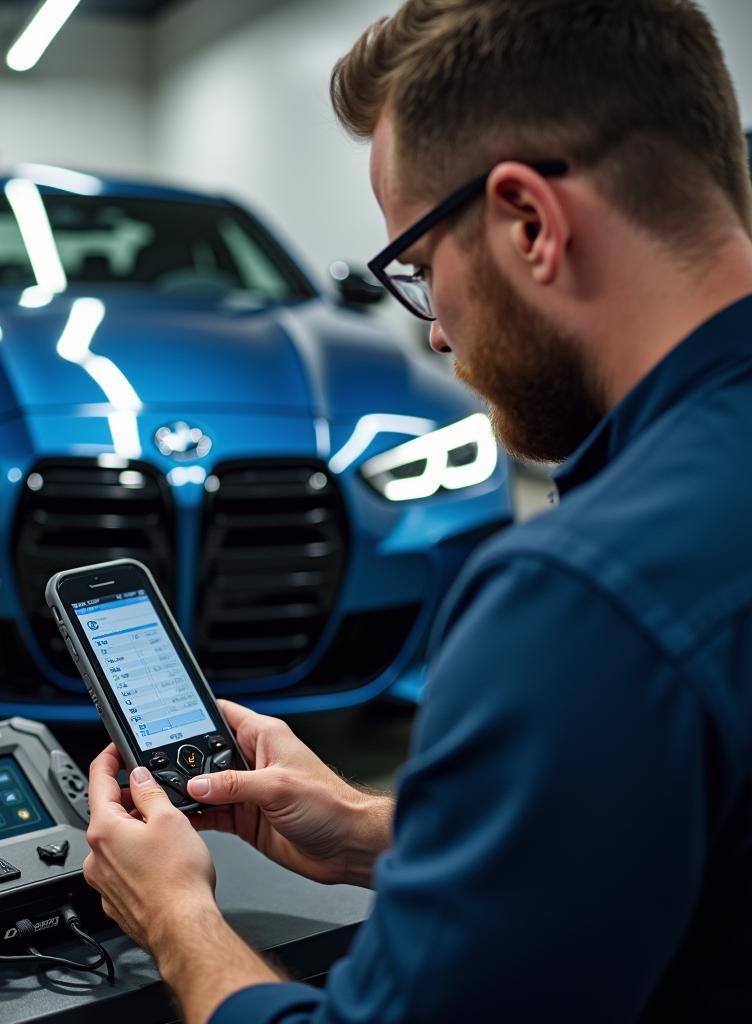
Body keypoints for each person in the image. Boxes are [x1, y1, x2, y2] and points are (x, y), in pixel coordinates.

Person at [81, 0, 752, 1019]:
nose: (435, 333)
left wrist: (177, 915)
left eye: (419, 269)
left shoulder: (581, 598)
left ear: (529, 222)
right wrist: (369, 826)